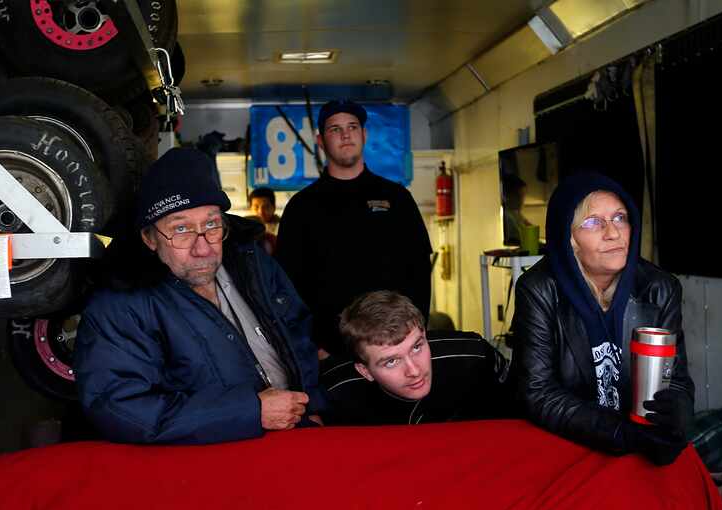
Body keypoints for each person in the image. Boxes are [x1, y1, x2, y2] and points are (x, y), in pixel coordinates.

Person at [74, 148, 325, 445]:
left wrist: (314, 404)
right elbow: (120, 407)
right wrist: (250, 412)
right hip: (207, 464)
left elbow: (298, 333)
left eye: (211, 224)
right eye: (181, 229)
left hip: (295, 437)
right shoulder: (121, 304)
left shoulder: (251, 263)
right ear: (149, 238)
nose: (203, 247)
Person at [511, 172, 694, 465]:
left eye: (620, 218)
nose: (613, 232)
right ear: (569, 239)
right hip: (566, 442)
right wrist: (621, 432)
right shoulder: (539, 290)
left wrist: (680, 413)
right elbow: (538, 392)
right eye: (594, 222)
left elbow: (677, 379)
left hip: (640, 440)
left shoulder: (660, 289)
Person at [275, 99, 432, 358]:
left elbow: (418, 271)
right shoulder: (301, 207)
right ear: (320, 141)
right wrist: (314, 345)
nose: (345, 134)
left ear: (364, 134)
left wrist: (414, 334)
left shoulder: (397, 198)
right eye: (335, 129)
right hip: (331, 353)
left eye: (352, 126)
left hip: (394, 346)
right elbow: (286, 286)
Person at [320, 290, 517, 425]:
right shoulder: (335, 394)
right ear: (365, 371)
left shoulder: (474, 356)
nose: (414, 371)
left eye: (416, 347)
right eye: (391, 361)